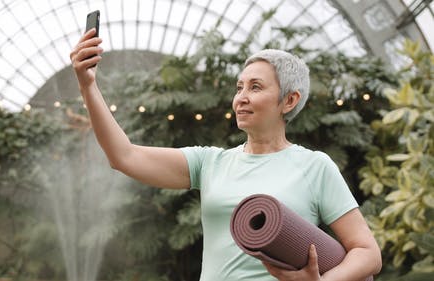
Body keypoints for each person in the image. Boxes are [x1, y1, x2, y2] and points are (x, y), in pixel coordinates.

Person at [69, 28, 382, 281]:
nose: (241, 98)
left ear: (289, 100)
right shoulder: (210, 163)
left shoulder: (314, 166)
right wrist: (88, 86)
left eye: (255, 87)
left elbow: (368, 253)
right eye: (239, 87)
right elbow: (124, 156)